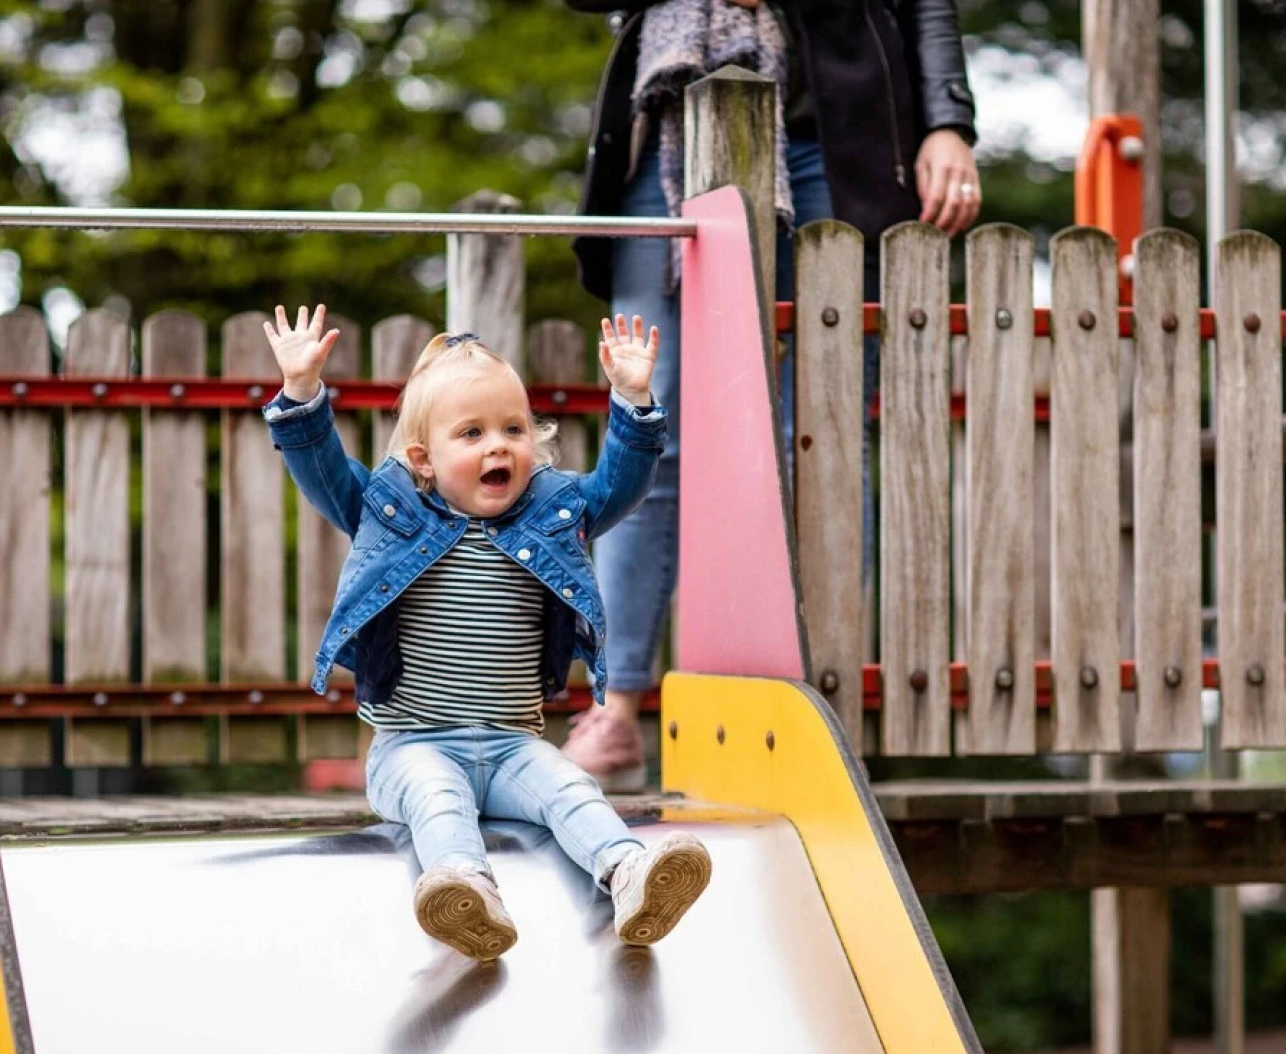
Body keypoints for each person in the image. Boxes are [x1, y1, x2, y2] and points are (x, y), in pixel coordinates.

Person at [563, 0, 983, 790]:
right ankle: (614, 708)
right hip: (666, 138)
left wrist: (947, 120)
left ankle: (820, 707)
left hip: (833, 138)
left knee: (818, 439)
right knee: (650, 429)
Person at [262, 303, 712, 962]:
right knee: (438, 798)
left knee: (570, 788)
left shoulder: (554, 515)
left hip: (510, 747)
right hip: (413, 746)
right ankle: (466, 895)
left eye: (513, 427)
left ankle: (630, 876)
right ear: (424, 459)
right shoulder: (388, 514)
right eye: (470, 433)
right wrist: (302, 392)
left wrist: (633, 399)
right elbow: (321, 466)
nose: (498, 444)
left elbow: (620, 487)